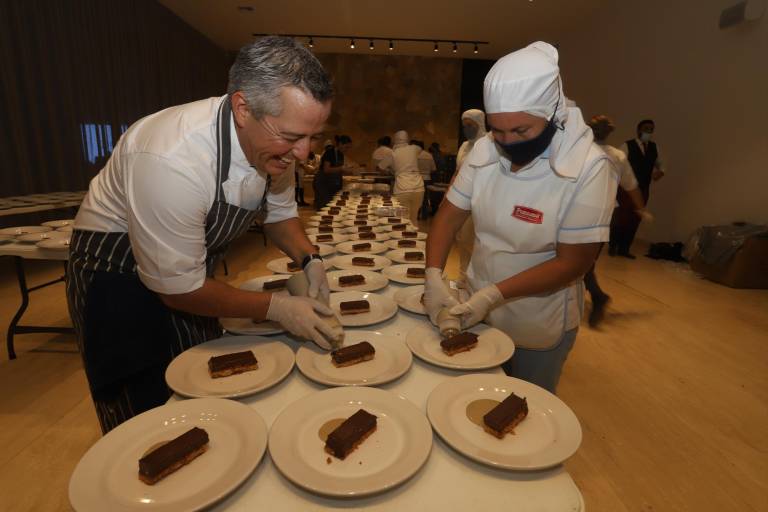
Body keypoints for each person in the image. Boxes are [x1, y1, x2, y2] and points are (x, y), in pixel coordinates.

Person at [66, 36, 338, 433]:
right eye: (294, 137)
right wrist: (276, 307)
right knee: (146, 417)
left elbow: (279, 216)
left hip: (188, 275)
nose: (303, 153)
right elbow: (177, 289)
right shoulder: (171, 157)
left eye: (314, 137)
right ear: (243, 108)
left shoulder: (275, 143)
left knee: (202, 388)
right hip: (116, 278)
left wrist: (311, 260)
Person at [423, 42, 618, 393]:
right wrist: (434, 274)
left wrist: (492, 296)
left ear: (553, 113)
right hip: (476, 303)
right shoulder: (484, 149)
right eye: (498, 130)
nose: (507, 141)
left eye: (522, 131)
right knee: (473, 397)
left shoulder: (589, 166)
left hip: (537, 317)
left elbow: (574, 262)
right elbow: (449, 216)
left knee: (520, 405)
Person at [585, 115, 654, 326]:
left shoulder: (587, 152)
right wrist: (641, 209)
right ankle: (591, 296)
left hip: (593, 214)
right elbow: (631, 185)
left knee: (581, 261)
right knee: (580, 260)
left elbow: (631, 185)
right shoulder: (614, 155)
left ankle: (597, 296)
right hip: (596, 214)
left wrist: (641, 209)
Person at [611, 119, 667, 257]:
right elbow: (616, 164)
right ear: (638, 130)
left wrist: (661, 172)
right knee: (620, 218)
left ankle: (625, 249)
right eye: (646, 128)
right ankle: (613, 246)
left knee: (635, 219)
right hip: (626, 189)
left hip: (643, 189)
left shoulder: (655, 148)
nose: (648, 132)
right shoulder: (627, 145)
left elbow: (662, 165)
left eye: (651, 129)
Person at [453, 109, 488, 287]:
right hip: (461, 200)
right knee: (461, 239)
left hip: (481, 201)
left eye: (470, 125)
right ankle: (462, 275)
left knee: (475, 242)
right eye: (464, 125)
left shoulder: (489, 143)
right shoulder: (464, 146)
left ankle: (476, 280)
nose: (466, 129)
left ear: (480, 123)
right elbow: (457, 172)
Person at [377, 130, 427, 226]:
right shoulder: (414, 148)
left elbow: (380, 167)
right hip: (419, 188)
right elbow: (419, 149)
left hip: (402, 188)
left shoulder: (393, 153)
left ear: (395, 140)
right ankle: (413, 237)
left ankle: (406, 238)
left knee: (403, 219)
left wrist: (391, 171)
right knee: (414, 218)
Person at [314, 135, 352, 209]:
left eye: (349, 148)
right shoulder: (330, 152)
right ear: (340, 144)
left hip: (334, 183)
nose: (347, 150)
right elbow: (326, 169)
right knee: (324, 208)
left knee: (334, 207)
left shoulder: (341, 154)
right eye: (346, 147)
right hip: (324, 184)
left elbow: (337, 169)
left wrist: (347, 171)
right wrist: (341, 168)